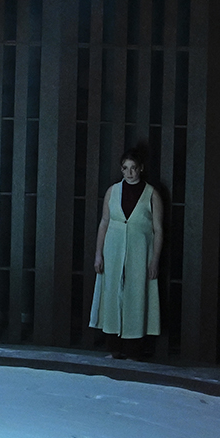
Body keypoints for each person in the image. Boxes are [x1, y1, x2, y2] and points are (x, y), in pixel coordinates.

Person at [89, 148, 164, 360]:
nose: (129, 173)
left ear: (140, 168)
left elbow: (158, 229)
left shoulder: (152, 194)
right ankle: (113, 347)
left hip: (139, 253)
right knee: (112, 294)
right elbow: (104, 222)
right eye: (125, 168)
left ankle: (134, 349)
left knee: (136, 295)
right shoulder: (112, 191)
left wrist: (154, 260)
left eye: (133, 168)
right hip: (113, 251)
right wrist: (98, 254)